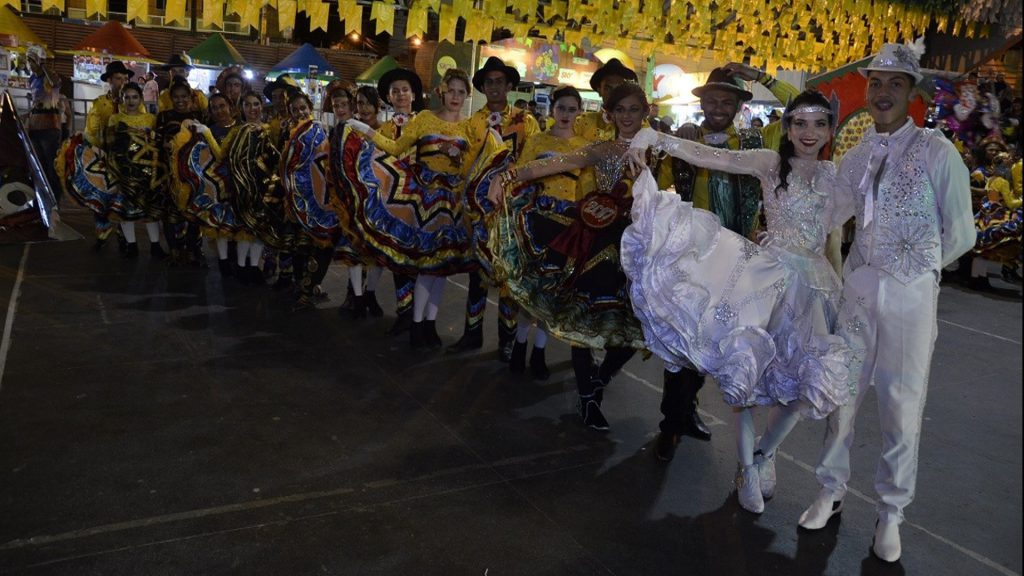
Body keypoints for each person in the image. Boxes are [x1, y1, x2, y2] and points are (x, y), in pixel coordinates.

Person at [625, 90, 854, 514]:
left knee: (802, 385)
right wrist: (654, 137)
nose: (809, 133)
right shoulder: (769, 163)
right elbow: (711, 157)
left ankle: (765, 454)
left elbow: (834, 237)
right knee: (746, 374)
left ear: (829, 131)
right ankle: (747, 468)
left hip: (814, 287)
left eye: (819, 124)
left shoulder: (834, 176)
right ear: (788, 129)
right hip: (765, 278)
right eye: (800, 123)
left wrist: (839, 290)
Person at [795, 41, 975, 563]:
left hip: (910, 295)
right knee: (841, 396)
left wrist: (918, 267)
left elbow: (962, 233)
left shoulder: (937, 151)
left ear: (911, 92)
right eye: (876, 83)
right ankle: (830, 489)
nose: (882, 92)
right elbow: (828, 216)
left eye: (895, 83)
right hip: (858, 289)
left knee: (901, 403)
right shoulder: (855, 155)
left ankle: (892, 511)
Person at [653, 63, 801, 463]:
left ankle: (686, 412)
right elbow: (658, 188)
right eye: (712, 101)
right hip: (693, 263)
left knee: (716, 346)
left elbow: (800, 106)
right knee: (681, 346)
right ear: (701, 104)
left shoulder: (756, 141)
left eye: (726, 102)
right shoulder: (685, 142)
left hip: (739, 266)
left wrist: (762, 77)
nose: (718, 108)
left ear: (738, 107)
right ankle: (671, 424)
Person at [487, 82, 649, 430]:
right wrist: (508, 175)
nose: (626, 116)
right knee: (584, 321)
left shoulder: (660, 150)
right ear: (609, 114)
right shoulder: (601, 150)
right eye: (620, 110)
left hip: (640, 248)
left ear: (645, 113)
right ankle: (588, 397)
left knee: (641, 328)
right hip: (597, 245)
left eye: (633, 109)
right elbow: (550, 165)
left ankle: (598, 381)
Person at [347, 68, 507, 348]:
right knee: (427, 266)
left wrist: (486, 150)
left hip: (453, 202)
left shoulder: (471, 126)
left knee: (442, 267)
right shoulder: (424, 118)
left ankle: (429, 324)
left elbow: (477, 162)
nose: (455, 96)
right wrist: (366, 131)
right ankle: (417, 325)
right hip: (424, 197)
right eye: (451, 90)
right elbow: (395, 148)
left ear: (467, 96)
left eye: (461, 92)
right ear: (442, 91)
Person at [489, 85, 593, 380]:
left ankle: (539, 352)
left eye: (571, 109)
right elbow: (520, 177)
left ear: (579, 112)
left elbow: (586, 187)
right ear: (552, 109)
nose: (565, 114)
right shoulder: (536, 141)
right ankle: (520, 345)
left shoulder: (585, 146)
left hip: (568, 226)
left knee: (552, 293)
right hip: (536, 221)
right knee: (530, 291)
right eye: (561, 108)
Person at [450, 57, 540, 360]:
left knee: (508, 277)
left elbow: (532, 161)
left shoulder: (525, 121)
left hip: (511, 210)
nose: (494, 87)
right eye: (489, 82)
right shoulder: (473, 122)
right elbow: (465, 163)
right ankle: (472, 333)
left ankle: (507, 340)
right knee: (477, 275)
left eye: (499, 81)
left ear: (509, 85)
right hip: (479, 211)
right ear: (483, 87)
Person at [58, 60, 144, 249]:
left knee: (124, 196)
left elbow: (141, 125)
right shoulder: (100, 104)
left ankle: (124, 233)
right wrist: (98, 150)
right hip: (104, 155)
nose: (122, 82)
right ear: (110, 81)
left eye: (125, 79)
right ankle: (103, 231)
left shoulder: (133, 102)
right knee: (101, 194)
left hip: (127, 158)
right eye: (118, 79)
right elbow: (91, 131)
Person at [105, 82, 165, 259]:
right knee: (126, 207)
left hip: (148, 171)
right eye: (127, 97)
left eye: (135, 97)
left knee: (150, 208)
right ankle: (131, 245)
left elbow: (157, 142)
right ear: (122, 99)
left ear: (141, 99)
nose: (131, 101)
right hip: (124, 169)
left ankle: (155, 245)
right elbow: (109, 143)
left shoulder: (150, 119)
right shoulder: (114, 119)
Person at [25, 47, 63, 205]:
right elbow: (36, 101)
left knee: (51, 164)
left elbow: (55, 83)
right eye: (28, 60)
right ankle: (41, 197)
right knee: (39, 164)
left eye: (32, 60)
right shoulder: (32, 79)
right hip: (35, 126)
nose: (29, 64)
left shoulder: (50, 76)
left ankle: (54, 199)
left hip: (49, 126)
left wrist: (43, 65)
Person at [574, 58, 639, 141]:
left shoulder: (638, 125)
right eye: (608, 89)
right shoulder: (583, 122)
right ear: (599, 91)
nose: (614, 94)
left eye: (619, 89)